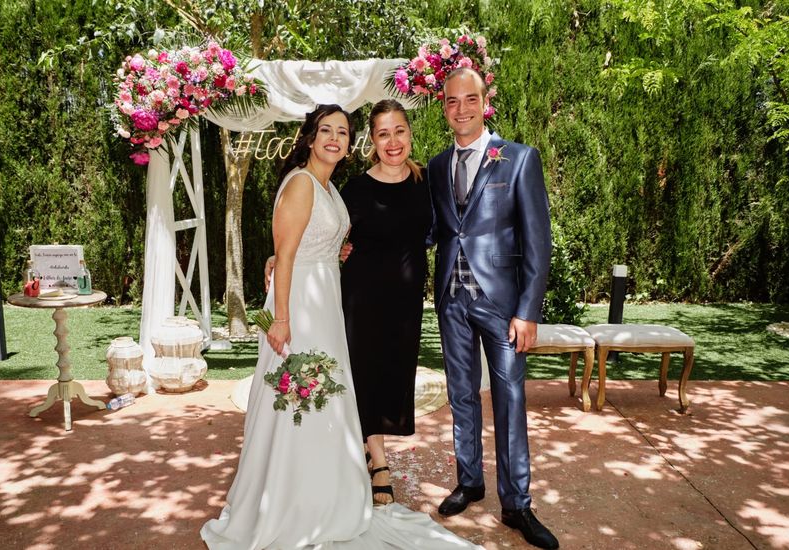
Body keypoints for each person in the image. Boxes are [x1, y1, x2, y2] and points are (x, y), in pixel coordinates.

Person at [201, 104, 480, 550]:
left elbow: (326, 239)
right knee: (300, 396)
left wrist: (327, 252)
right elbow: (289, 248)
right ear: (311, 137)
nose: (335, 138)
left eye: (342, 132)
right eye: (326, 130)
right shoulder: (309, 184)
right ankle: (293, 497)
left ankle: (322, 489)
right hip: (310, 306)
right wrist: (282, 309)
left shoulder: (337, 186)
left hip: (332, 299)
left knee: (328, 396)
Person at [428, 68, 559, 550]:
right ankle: (470, 481)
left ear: (485, 102)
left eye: (469, 99)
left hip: (503, 307)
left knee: (509, 400)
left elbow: (537, 241)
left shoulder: (519, 160)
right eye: (450, 101)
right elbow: (437, 230)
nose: (459, 109)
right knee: (461, 396)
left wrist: (528, 310)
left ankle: (517, 503)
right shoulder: (438, 165)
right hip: (452, 301)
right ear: (443, 106)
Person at [339, 99, 432, 505]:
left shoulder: (428, 182)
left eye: (399, 131)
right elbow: (322, 232)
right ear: (372, 142)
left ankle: (366, 444)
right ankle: (379, 462)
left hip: (406, 303)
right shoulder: (355, 189)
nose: (392, 141)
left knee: (394, 375)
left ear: (410, 133)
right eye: (382, 134)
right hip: (362, 299)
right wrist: (278, 255)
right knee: (365, 376)